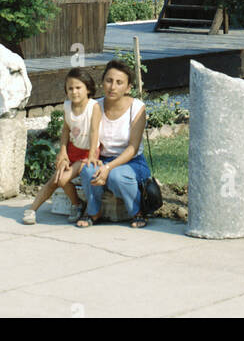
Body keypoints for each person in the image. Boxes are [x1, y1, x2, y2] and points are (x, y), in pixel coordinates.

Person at [75, 60, 151, 229]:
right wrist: (95, 161)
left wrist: (108, 169)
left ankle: (137, 211)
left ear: (128, 87)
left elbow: (132, 148)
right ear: (102, 82)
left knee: (117, 176)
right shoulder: (95, 106)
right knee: (88, 170)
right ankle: (94, 212)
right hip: (103, 158)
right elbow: (92, 141)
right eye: (109, 81)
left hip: (132, 162)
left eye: (119, 82)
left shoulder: (137, 108)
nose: (112, 87)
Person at [22, 68, 99, 225]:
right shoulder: (67, 106)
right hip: (72, 150)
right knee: (55, 179)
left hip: (87, 153)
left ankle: (77, 205)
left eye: (78, 88)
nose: (74, 92)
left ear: (88, 89)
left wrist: (91, 155)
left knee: (62, 179)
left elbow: (94, 131)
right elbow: (66, 129)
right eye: (70, 88)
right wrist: (62, 153)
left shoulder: (93, 107)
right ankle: (32, 209)